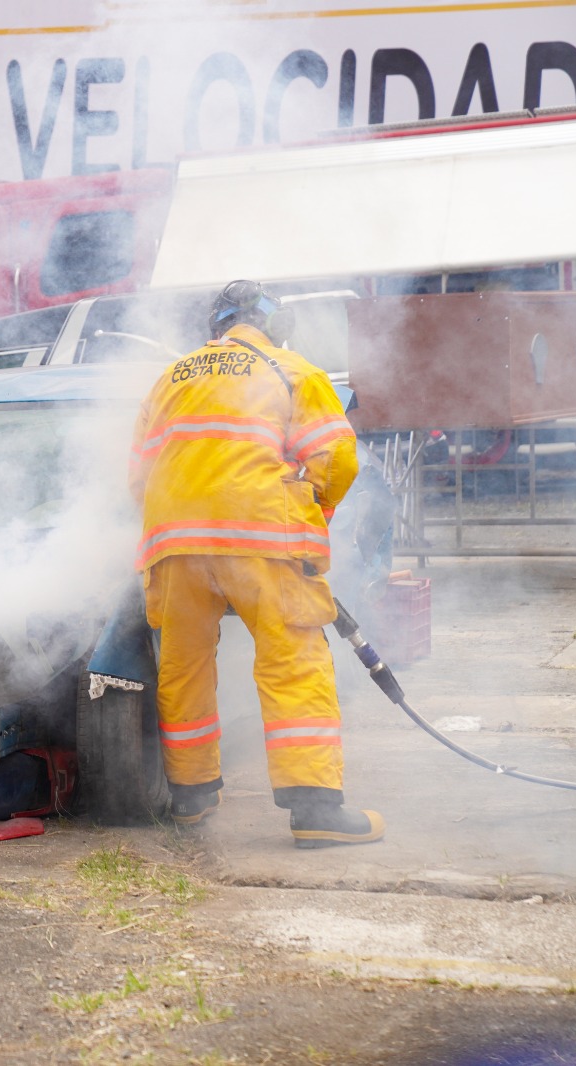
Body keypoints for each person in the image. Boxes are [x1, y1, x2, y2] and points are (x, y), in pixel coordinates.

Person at [129, 279, 384, 848]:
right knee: (293, 659)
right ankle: (316, 810)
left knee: (183, 666)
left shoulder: (170, 377)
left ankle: (192, 798)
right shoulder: (291, 369)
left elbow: (138, 476)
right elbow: (337, 456)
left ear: (215, 326)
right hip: (262, 538)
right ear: (274, 324)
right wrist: (312, 503)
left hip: (176, 544)